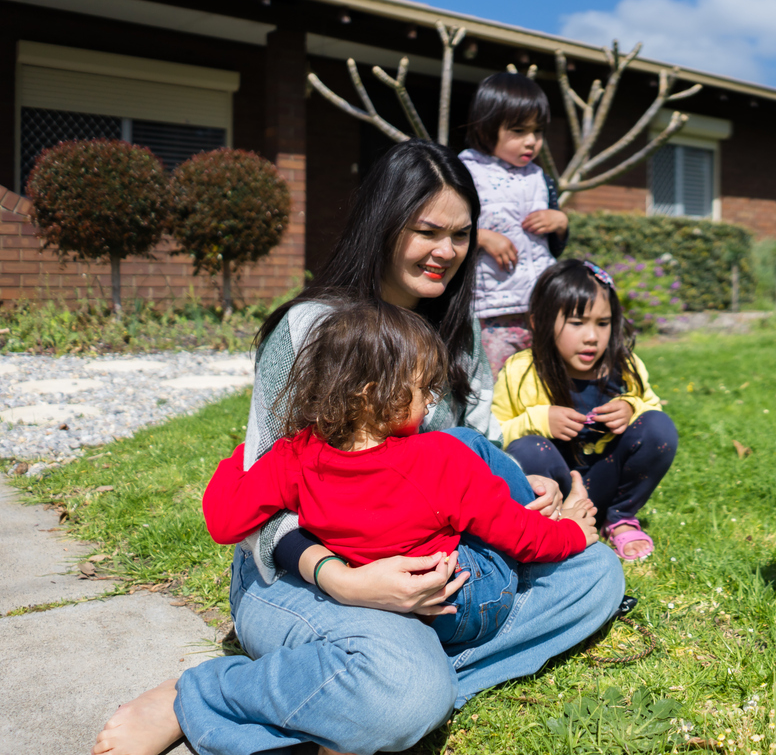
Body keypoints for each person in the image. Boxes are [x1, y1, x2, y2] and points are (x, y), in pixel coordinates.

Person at [94, 141, 625, 755]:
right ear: (384, 222)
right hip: (305, 572)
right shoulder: (312, 329)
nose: (447, 252)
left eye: (461, 234)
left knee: (595, 575)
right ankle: (206, 694)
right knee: (403, 689)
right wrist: (346, 582)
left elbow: (476, 450)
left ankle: (361, 692)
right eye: (428, 230)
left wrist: (534, 493)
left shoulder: (456, 333)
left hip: (439, 566)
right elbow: (261, 503)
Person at [203, 299, 600, 654]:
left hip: (383, 599)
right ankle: (552, 520)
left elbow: (223, 522)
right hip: (468, 599)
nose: (431, 401)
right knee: (476, 459)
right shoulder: (438, 458)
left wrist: (243, 458)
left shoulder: (293, 459)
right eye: (424, 388)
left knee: (471, 451)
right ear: (374, 394)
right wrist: (572, 533)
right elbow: (519, 535)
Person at [492, 260, 679, 562]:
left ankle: (619, 518)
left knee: (658, 427)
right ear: (540, 322)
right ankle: (556, 525)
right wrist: (537, 420)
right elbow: (492, 438)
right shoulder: (521, 370)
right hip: (556, 492)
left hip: (606, 481)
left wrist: (632, 407)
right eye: (577, 323)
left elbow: (653, 415)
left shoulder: (625, 366)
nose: (592, 336)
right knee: (529, 449)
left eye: (602, 323)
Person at [459, 72, 568, 376]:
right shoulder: (464, 173)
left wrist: (560, 222)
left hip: (539, 305)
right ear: (485, 126)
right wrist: (480, 237)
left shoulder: (540, 178)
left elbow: (554, 247)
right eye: (519, 131)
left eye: (538, 131)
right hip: (490, 309)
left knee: (537, 378)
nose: (531, 141)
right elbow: (444, 230)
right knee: (494, 381)